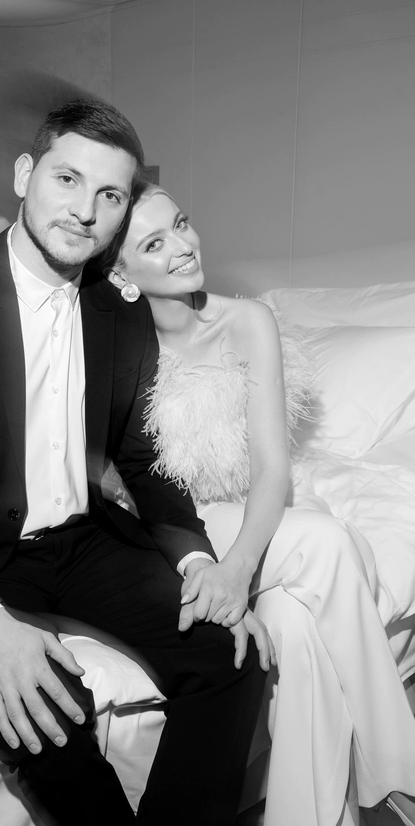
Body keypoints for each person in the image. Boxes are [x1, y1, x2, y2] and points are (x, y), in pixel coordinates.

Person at [0, 99, 269, 826]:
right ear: (26, 175)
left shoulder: (121, 309)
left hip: (83, 543)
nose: (85, 211)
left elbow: (141, 457)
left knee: (230, 656)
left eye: (110, 195)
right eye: (67, 179)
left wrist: (198, 560)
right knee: (50, 705)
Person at [99, 180, 415, 826]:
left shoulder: (248, 320)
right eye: (154, 244)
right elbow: (112, 476)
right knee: (326, 541)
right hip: (176, 531)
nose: (183, 245)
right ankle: (401, 775)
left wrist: (238, 569)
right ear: (122, 276)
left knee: (294, 625)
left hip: (259, 510)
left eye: (181, 223)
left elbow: (273, 469)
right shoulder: (115, 346)